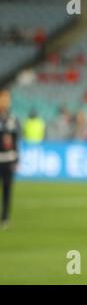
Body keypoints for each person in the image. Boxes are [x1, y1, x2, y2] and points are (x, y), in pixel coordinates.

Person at [0, 88, 20, 230]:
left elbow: (16, 140)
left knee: (7, 190)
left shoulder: (12, 118)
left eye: (7, 98)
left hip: (8, 159)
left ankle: (5, 217)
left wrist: (17, 159)